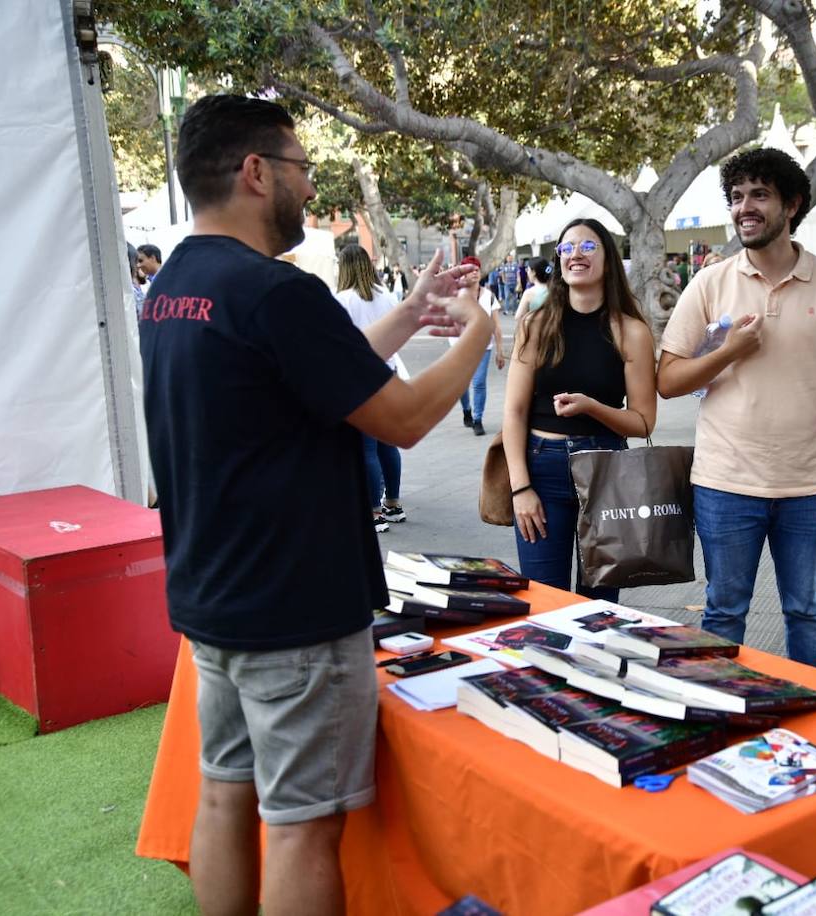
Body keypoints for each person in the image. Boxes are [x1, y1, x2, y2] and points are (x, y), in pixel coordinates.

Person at [139, 94, 491, 916]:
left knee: (227, 794)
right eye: (302, 169)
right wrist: (478, 336)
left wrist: (410, 313)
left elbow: (318, 376)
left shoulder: (176, 285)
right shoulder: (273, 291)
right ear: (256, 173)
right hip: (293, 612)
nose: (308, 187)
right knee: (303, 826)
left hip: (214, 601)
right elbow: (398, 420)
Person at [657, 147, 816, 670]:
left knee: (806, 610)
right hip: (725, 483)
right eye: (736, 197)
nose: (744, 207)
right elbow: (667, 380)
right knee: (724, 611)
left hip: (809, 488)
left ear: (792, 204)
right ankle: (716, 710)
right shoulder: (710, 282)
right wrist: (729, 350)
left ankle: (815, 714)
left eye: (759, 194)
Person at [502, 218, 657, 602]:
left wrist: (592, 408)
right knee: (543, 601)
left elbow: (643, 421)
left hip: (606, 470)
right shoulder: (536, 326)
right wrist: (520, 487)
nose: (576, 254)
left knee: (600, 607)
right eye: (567, 248)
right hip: (543, 468)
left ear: (608, 259)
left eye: (588, 247)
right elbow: (515, 413)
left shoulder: (631, 331)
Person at [334, 244, 407, 531]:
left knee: (366, 448)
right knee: (388, 445)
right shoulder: (386, 296)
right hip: (387, 375)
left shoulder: (341, 300)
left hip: (358, 379)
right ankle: (394, 503)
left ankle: (374, 511)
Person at [451, 258, 505, 436]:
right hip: (461, 347)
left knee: (479, 383)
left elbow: (496, 325)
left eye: (478, 269)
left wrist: (500, 350)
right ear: (463, 272)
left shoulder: (489, 296)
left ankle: (477, 419)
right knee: (460, 384)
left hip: (484, 346)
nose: (475, 272)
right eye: (471, 269)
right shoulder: (455, 294)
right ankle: (467, 409)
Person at [513, 256, 553, 325]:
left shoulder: (529, 293)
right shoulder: (555, 289)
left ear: (533, 272)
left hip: (536, 331)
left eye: (527, 270)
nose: (527, 272)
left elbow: (518, 317)